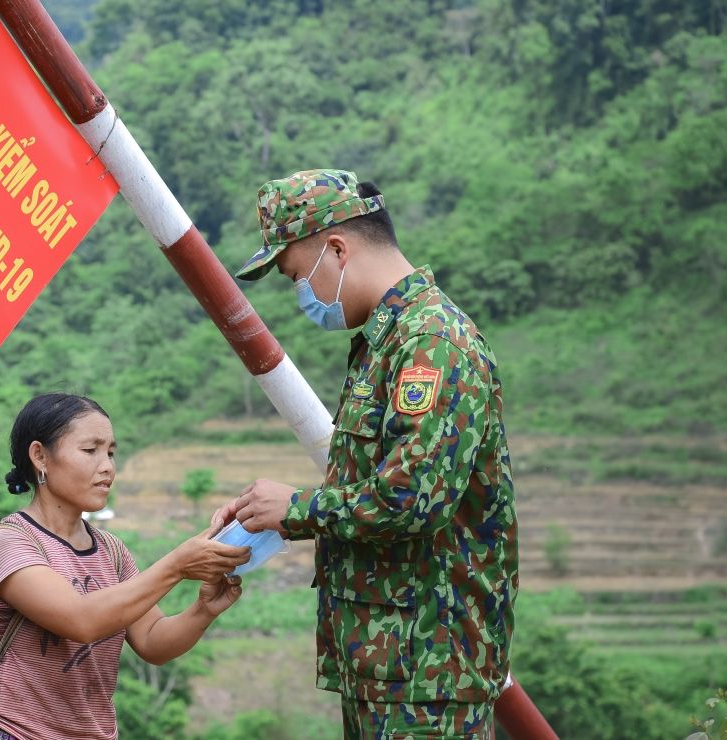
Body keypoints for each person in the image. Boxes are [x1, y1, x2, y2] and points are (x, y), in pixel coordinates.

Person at [213, 169, 519, 739]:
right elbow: (372, 485)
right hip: (386, 668)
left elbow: (410, 499)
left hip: (429, 675)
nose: (300, 292)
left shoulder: (431, 343)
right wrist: (267, 515)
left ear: (336, 249)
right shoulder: (385, 342)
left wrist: (299, 509)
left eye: (296, 274)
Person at [0, 393, 250, 740]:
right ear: (40, 456)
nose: (108, 467)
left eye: (111, 452)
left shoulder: (111, 551)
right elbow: (80, 620)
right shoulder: (10, 543)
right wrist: (177, 566)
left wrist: (204, 610)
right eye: (91, 451)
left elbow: (152, 641)